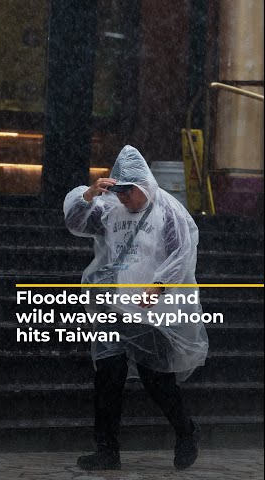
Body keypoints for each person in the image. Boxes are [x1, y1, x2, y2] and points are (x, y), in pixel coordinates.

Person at [63, 145, 208, 470]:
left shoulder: (167, 211)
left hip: (151, 312)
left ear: (143, 187)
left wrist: (158, 287)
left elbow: (182, 252)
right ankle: (106, 450)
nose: (125, 199)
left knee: (157, 379)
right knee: (109, 376)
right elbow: (75, 222)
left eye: (129, 193)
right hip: (114, 307)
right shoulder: (110, 210)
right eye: (121, 192)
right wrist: (88, 194)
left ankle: (186, 431)